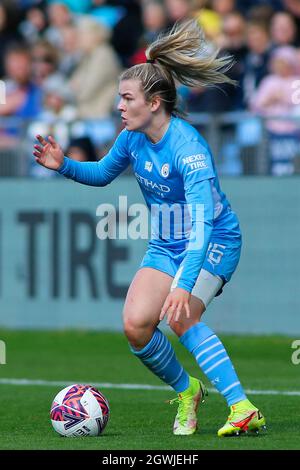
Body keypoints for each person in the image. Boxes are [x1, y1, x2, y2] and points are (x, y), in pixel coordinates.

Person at [33, 20, 266, 437]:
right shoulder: (132, 137)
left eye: (126, 98)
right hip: (166, 242)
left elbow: (203, 224)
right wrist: (63, 165)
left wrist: (183, 284)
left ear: (154, 103)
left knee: (179, 315)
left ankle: (242, 406)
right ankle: (188, 390)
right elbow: (103, 173)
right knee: (136, 326)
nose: (119, 106)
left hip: (212, 241)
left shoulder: (188, 148)